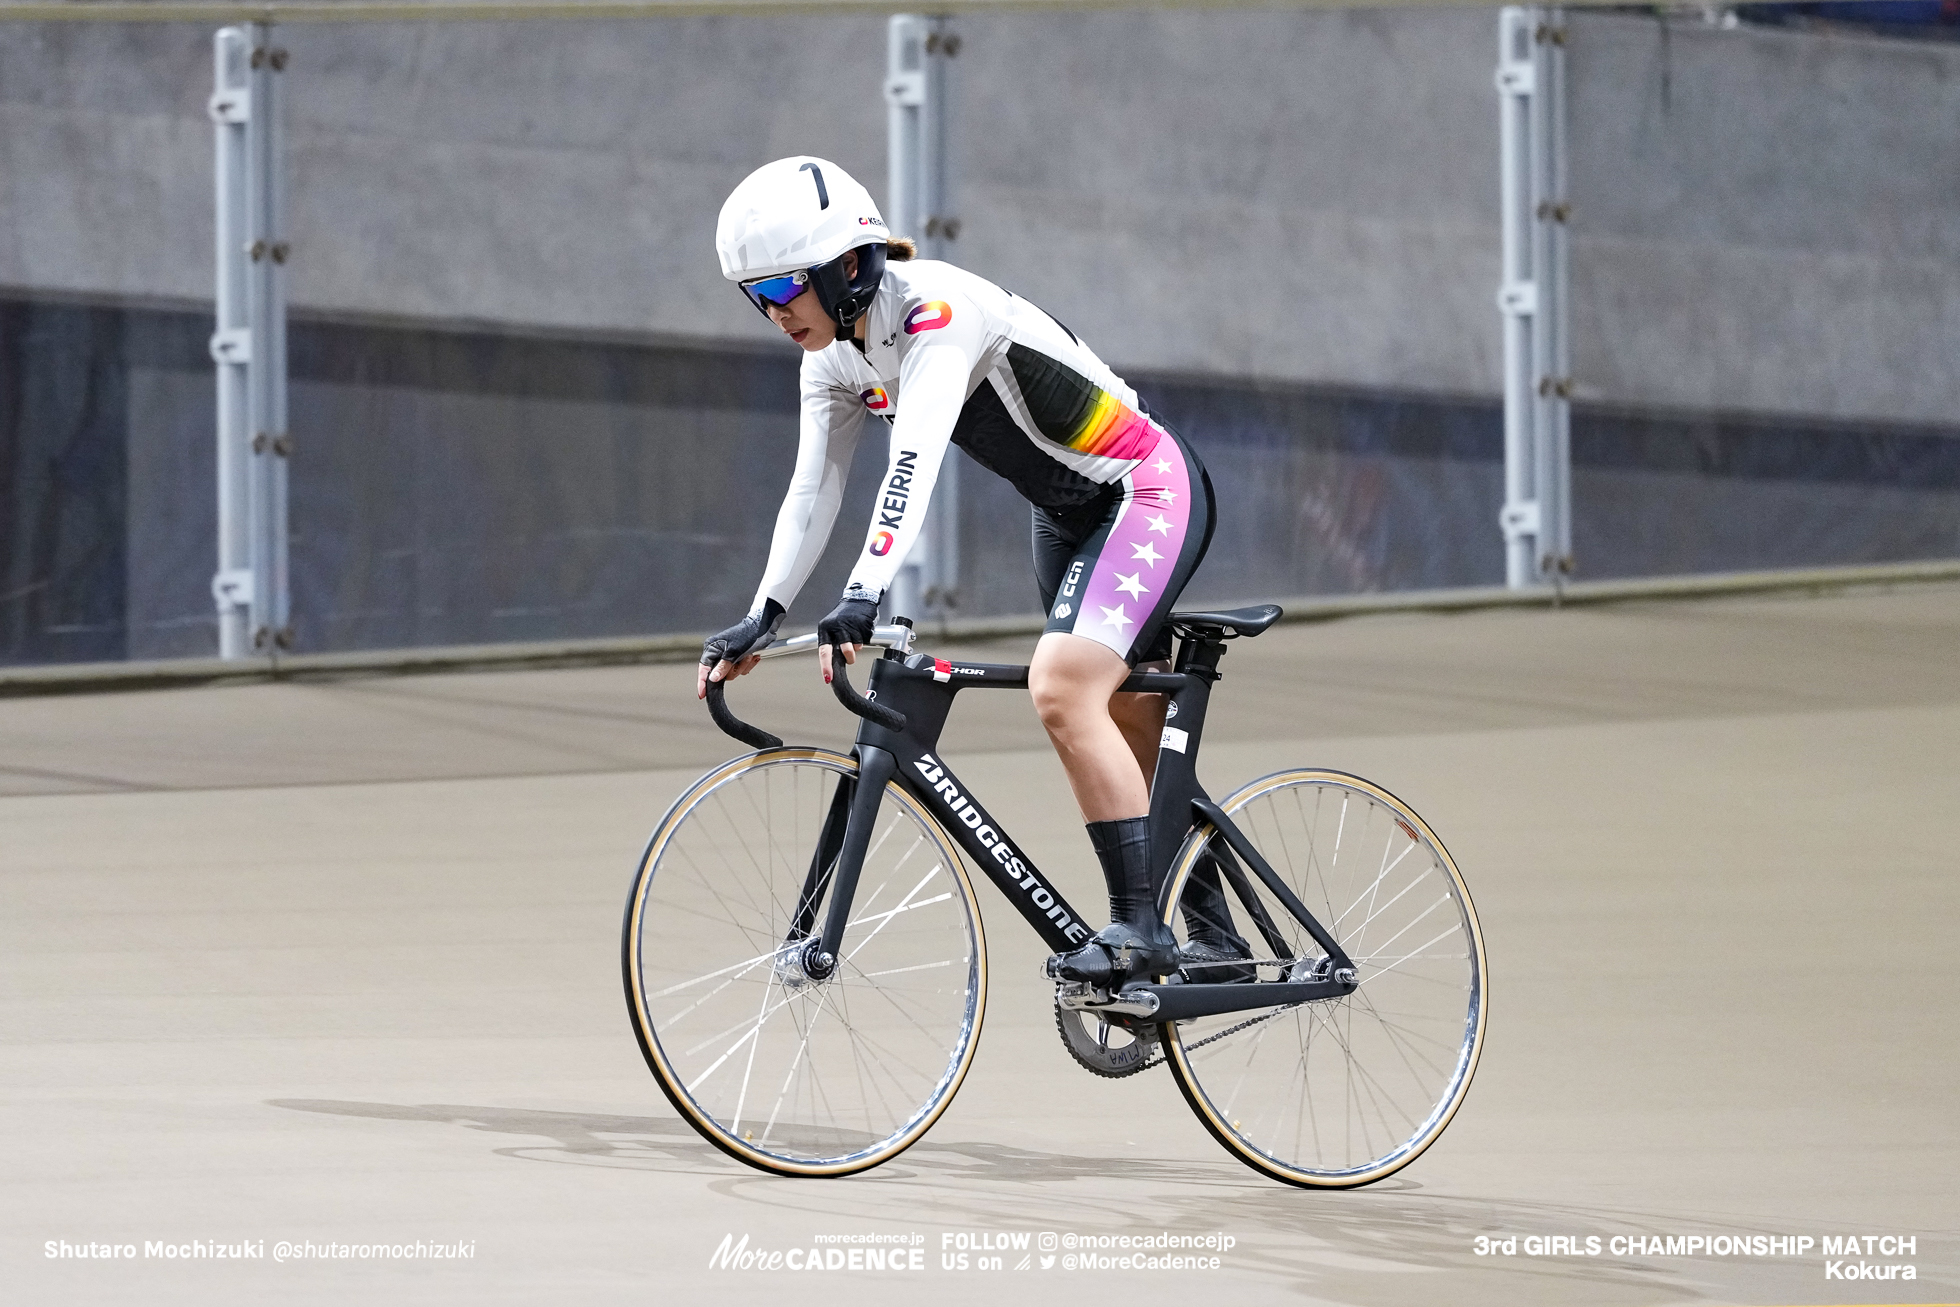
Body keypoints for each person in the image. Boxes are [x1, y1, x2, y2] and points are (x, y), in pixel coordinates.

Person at [695, 155, 1243, 988]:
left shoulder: (935, 313)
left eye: (781, 291)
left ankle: (1142, 934)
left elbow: (908, 465)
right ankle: (1219, 938)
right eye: (755, 297)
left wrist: (861, 593)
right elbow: (814, 488)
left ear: (848, 266)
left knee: (1063, 687)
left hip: (1144, 487)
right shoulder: (833, 355)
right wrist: (763, 614)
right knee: (1124, 720)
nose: (772, 315)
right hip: (1067, 515)